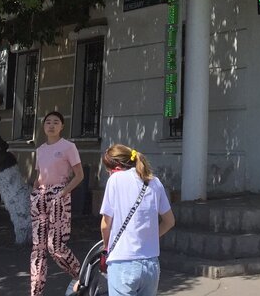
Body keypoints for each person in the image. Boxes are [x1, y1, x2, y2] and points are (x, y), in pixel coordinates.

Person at [99, 144, 175, 296]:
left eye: (108, 170)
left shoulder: (115, 180)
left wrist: (106, 246)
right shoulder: (155, 182)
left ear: (116, 168)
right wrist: (150, 238)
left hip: (122, 263)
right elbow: (169, 221)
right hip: (151, 264)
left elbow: (105, 225)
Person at [30, 111, 84, 296]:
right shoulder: (40, 150)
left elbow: (79, 175)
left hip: (59, 196)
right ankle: (36, 292)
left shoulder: (68, 147)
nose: (51, 125)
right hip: (40, 197)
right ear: (43, 126)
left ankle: (81, 276)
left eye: (55, 122)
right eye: (48, 122)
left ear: (62, 126)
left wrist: (63, 193)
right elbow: (40, 175)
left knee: (56, 246)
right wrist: (34, 191)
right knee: (38, 248)